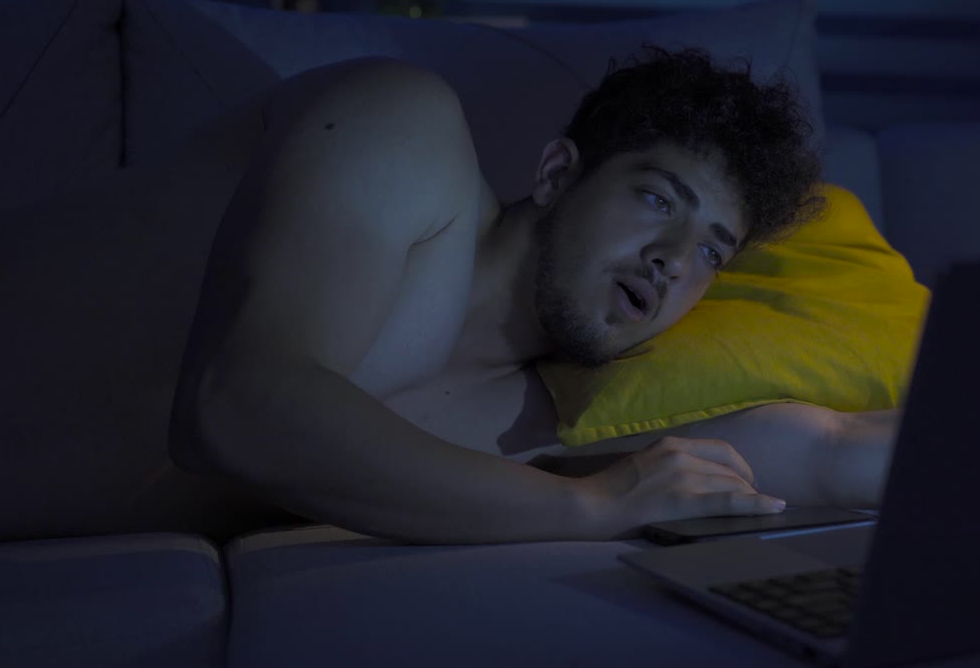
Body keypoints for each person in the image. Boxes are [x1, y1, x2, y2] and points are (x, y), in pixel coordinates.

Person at [169, 47, 899, 543]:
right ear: (555, 173)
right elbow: (235, 406)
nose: (674, 259)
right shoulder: (402, 129)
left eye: (712, 250)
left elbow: (824, 450)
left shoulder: (531, 427)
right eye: (656, 199)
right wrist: (588, 507)